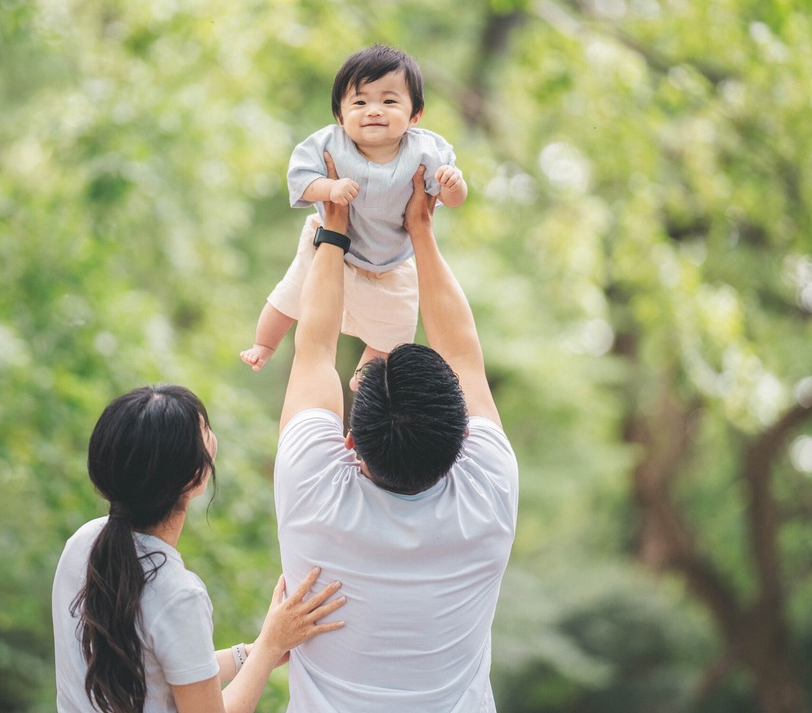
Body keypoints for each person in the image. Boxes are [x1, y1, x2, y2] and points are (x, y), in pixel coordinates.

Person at [273, 154, 518, 711]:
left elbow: (313, 347)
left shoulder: (314, 488)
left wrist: (334, 229)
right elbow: (462, 351)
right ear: (462, 443)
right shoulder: (488, 491)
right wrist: (420, 231)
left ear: (350, 440)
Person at [52, 384, 346, 713]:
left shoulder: (84, 543)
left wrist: (249, 652)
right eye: (204, 430)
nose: (210, 434)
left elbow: (157, 672)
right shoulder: (177, 593)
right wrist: (270, 646)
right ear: (196, 477)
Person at [240, 44, 468, 387]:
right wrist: (328, 189)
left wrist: (453, 184)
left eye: (389, 101)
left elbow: (452, 199)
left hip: (392, 259)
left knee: (396, 331)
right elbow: (301, 180)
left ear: (415, 114)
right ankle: (264, 343)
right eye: (360, 102)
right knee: (291, 295)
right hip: (329, 245)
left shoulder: (425, 150)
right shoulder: (329, 144)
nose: (374, 110)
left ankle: (364, 382)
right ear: (340, 115)